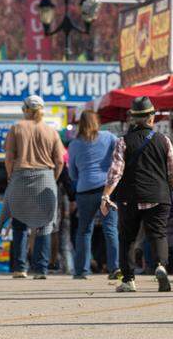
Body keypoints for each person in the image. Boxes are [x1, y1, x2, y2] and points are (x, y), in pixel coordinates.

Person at [100, 96, 173, 293]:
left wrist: (106, 195)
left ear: (133, 119)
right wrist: (167, 189)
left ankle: (128, 279)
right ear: (152, 118)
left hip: (130, 197)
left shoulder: (122, 141)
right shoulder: (164, 140)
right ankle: (161, 265)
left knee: (127, 237)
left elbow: (115, 172)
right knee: (158, 234)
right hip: (159, 195)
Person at [3, 95, 65, 279]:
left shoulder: (16, 128)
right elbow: (60, 161)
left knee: (20, 224)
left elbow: (9, 157)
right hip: (45, 178)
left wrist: (10, 176)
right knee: (44, 225)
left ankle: (20, 267)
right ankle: (40, 269)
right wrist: (52, 178)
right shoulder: (51, 131)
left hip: (21, 177)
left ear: (25, 110)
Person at [66, 110, 120, 279]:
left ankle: (81, 270)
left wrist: (83, 176)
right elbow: (119, 159)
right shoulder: (109, 137)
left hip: (84, 191)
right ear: (97, 121)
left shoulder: (74, 144)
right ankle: (114, 268)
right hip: (106, 190)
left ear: (80, 124)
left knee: (84, 231)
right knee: (110, 229)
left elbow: (72, 174)